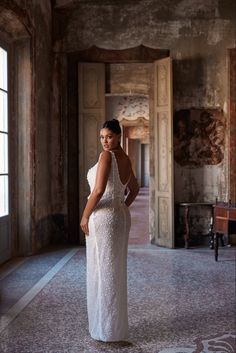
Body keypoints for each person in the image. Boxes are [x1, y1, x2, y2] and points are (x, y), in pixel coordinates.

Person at [80, 119, 139, 342]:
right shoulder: (125, 158)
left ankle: (105, 329)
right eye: (102, 137)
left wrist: (85, 215)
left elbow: (97, 191)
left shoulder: (107, 156)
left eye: (110, 136)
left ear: (118, 136)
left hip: (104, 218)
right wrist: (120, 206)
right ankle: (114, 328)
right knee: (115, 271)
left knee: (103, 271)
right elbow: (133, 189)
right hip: (119, 217)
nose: (105, 141)